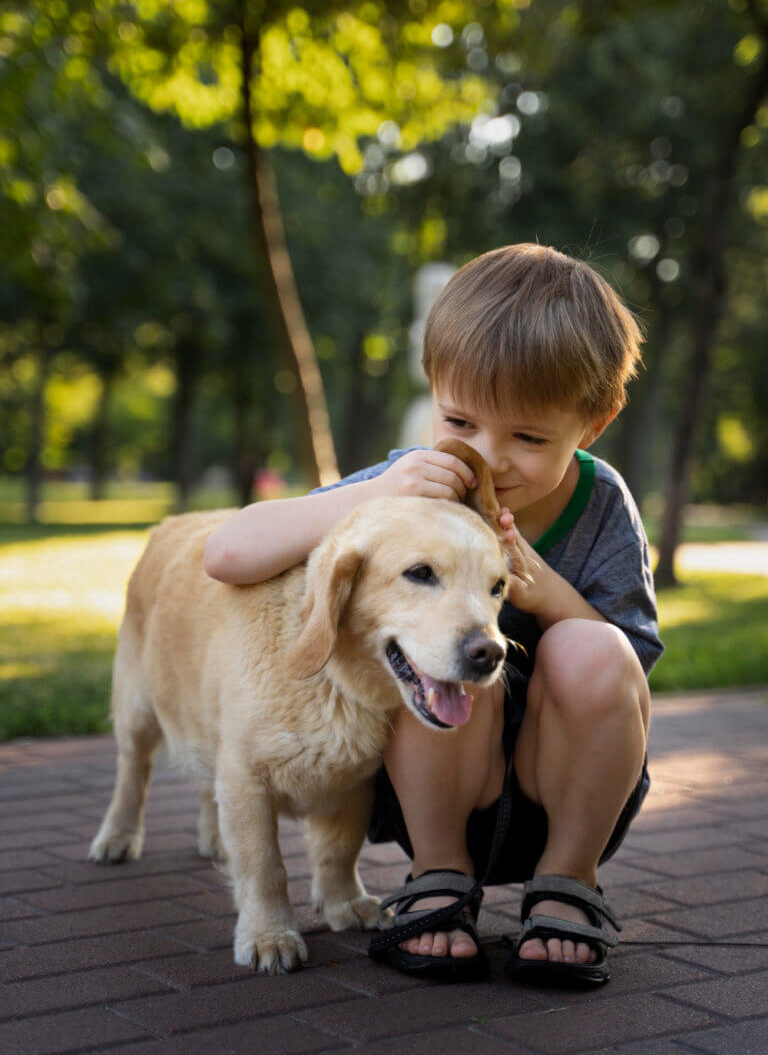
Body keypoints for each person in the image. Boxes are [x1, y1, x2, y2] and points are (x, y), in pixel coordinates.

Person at [204, 243, 662, 986]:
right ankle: (440, 876)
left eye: (529, 437)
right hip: (433, 792)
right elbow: (225, 554)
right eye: (462, 420)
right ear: (434, 392)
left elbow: (628, 673)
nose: (489, 457)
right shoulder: (410, 486)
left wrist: (544, 594)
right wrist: (370, 494)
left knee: (591, 647)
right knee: (436, 649)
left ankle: (570, 882)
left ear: (596, 422)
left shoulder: (602, 504)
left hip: (566, 792)